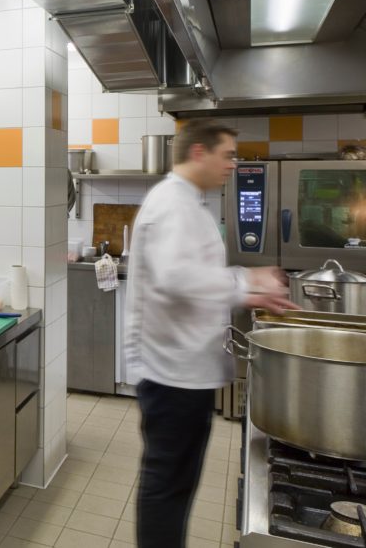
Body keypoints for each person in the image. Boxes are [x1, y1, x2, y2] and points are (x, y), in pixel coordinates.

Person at [123, 118, 298, 548]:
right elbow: (177, 279)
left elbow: (195, 276)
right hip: (173, 378)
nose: (233, 165)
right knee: (167, 487)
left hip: (186, 374)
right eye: (228, 155)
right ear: (199, 152)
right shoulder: (172, 205)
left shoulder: (188, 203)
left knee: (176, 484)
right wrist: (246, 284)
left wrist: (249, 284)